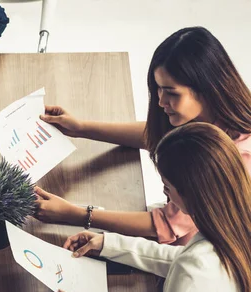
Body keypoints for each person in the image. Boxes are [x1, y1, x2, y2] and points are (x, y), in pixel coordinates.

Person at [53, 123, 251, 292]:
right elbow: (182, 259)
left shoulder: (201, 267)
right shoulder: (237, 222)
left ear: (193, 192)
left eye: (168, 187)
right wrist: (108, 244)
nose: (165, 195)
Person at [34, 27, 251, 246]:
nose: (161, 101)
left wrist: (75, 214)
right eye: (158, 88)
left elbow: (164, 225)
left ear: (206, 88)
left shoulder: (234, 158)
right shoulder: (208, 117)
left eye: (171, 92)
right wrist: (80, 128)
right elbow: (158, 135)